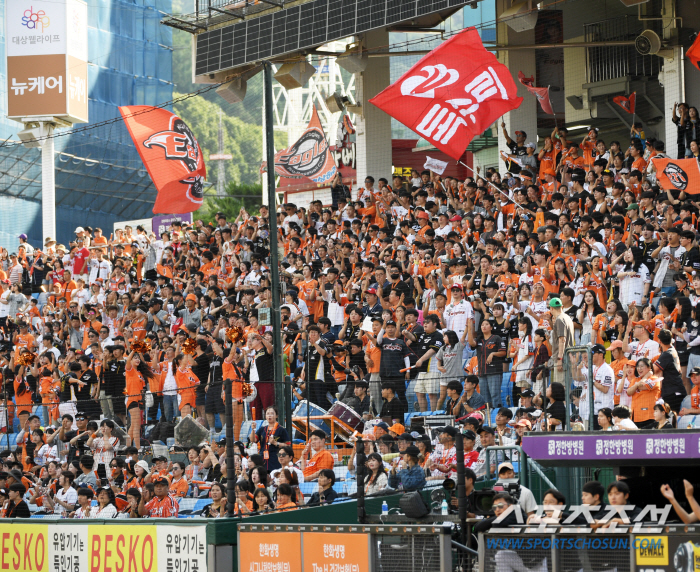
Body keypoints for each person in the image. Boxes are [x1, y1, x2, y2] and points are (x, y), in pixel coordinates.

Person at [250, 406, 290, 473]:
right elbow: (253, 440)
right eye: (268, 413)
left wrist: (276, 443)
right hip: (263, 460)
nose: (269, 416)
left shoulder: (281, 429)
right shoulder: (262, 429)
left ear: (276, 416)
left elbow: (288, 445)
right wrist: (253, 429)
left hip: (276, 460)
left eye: (272, 413)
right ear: (265, 416)